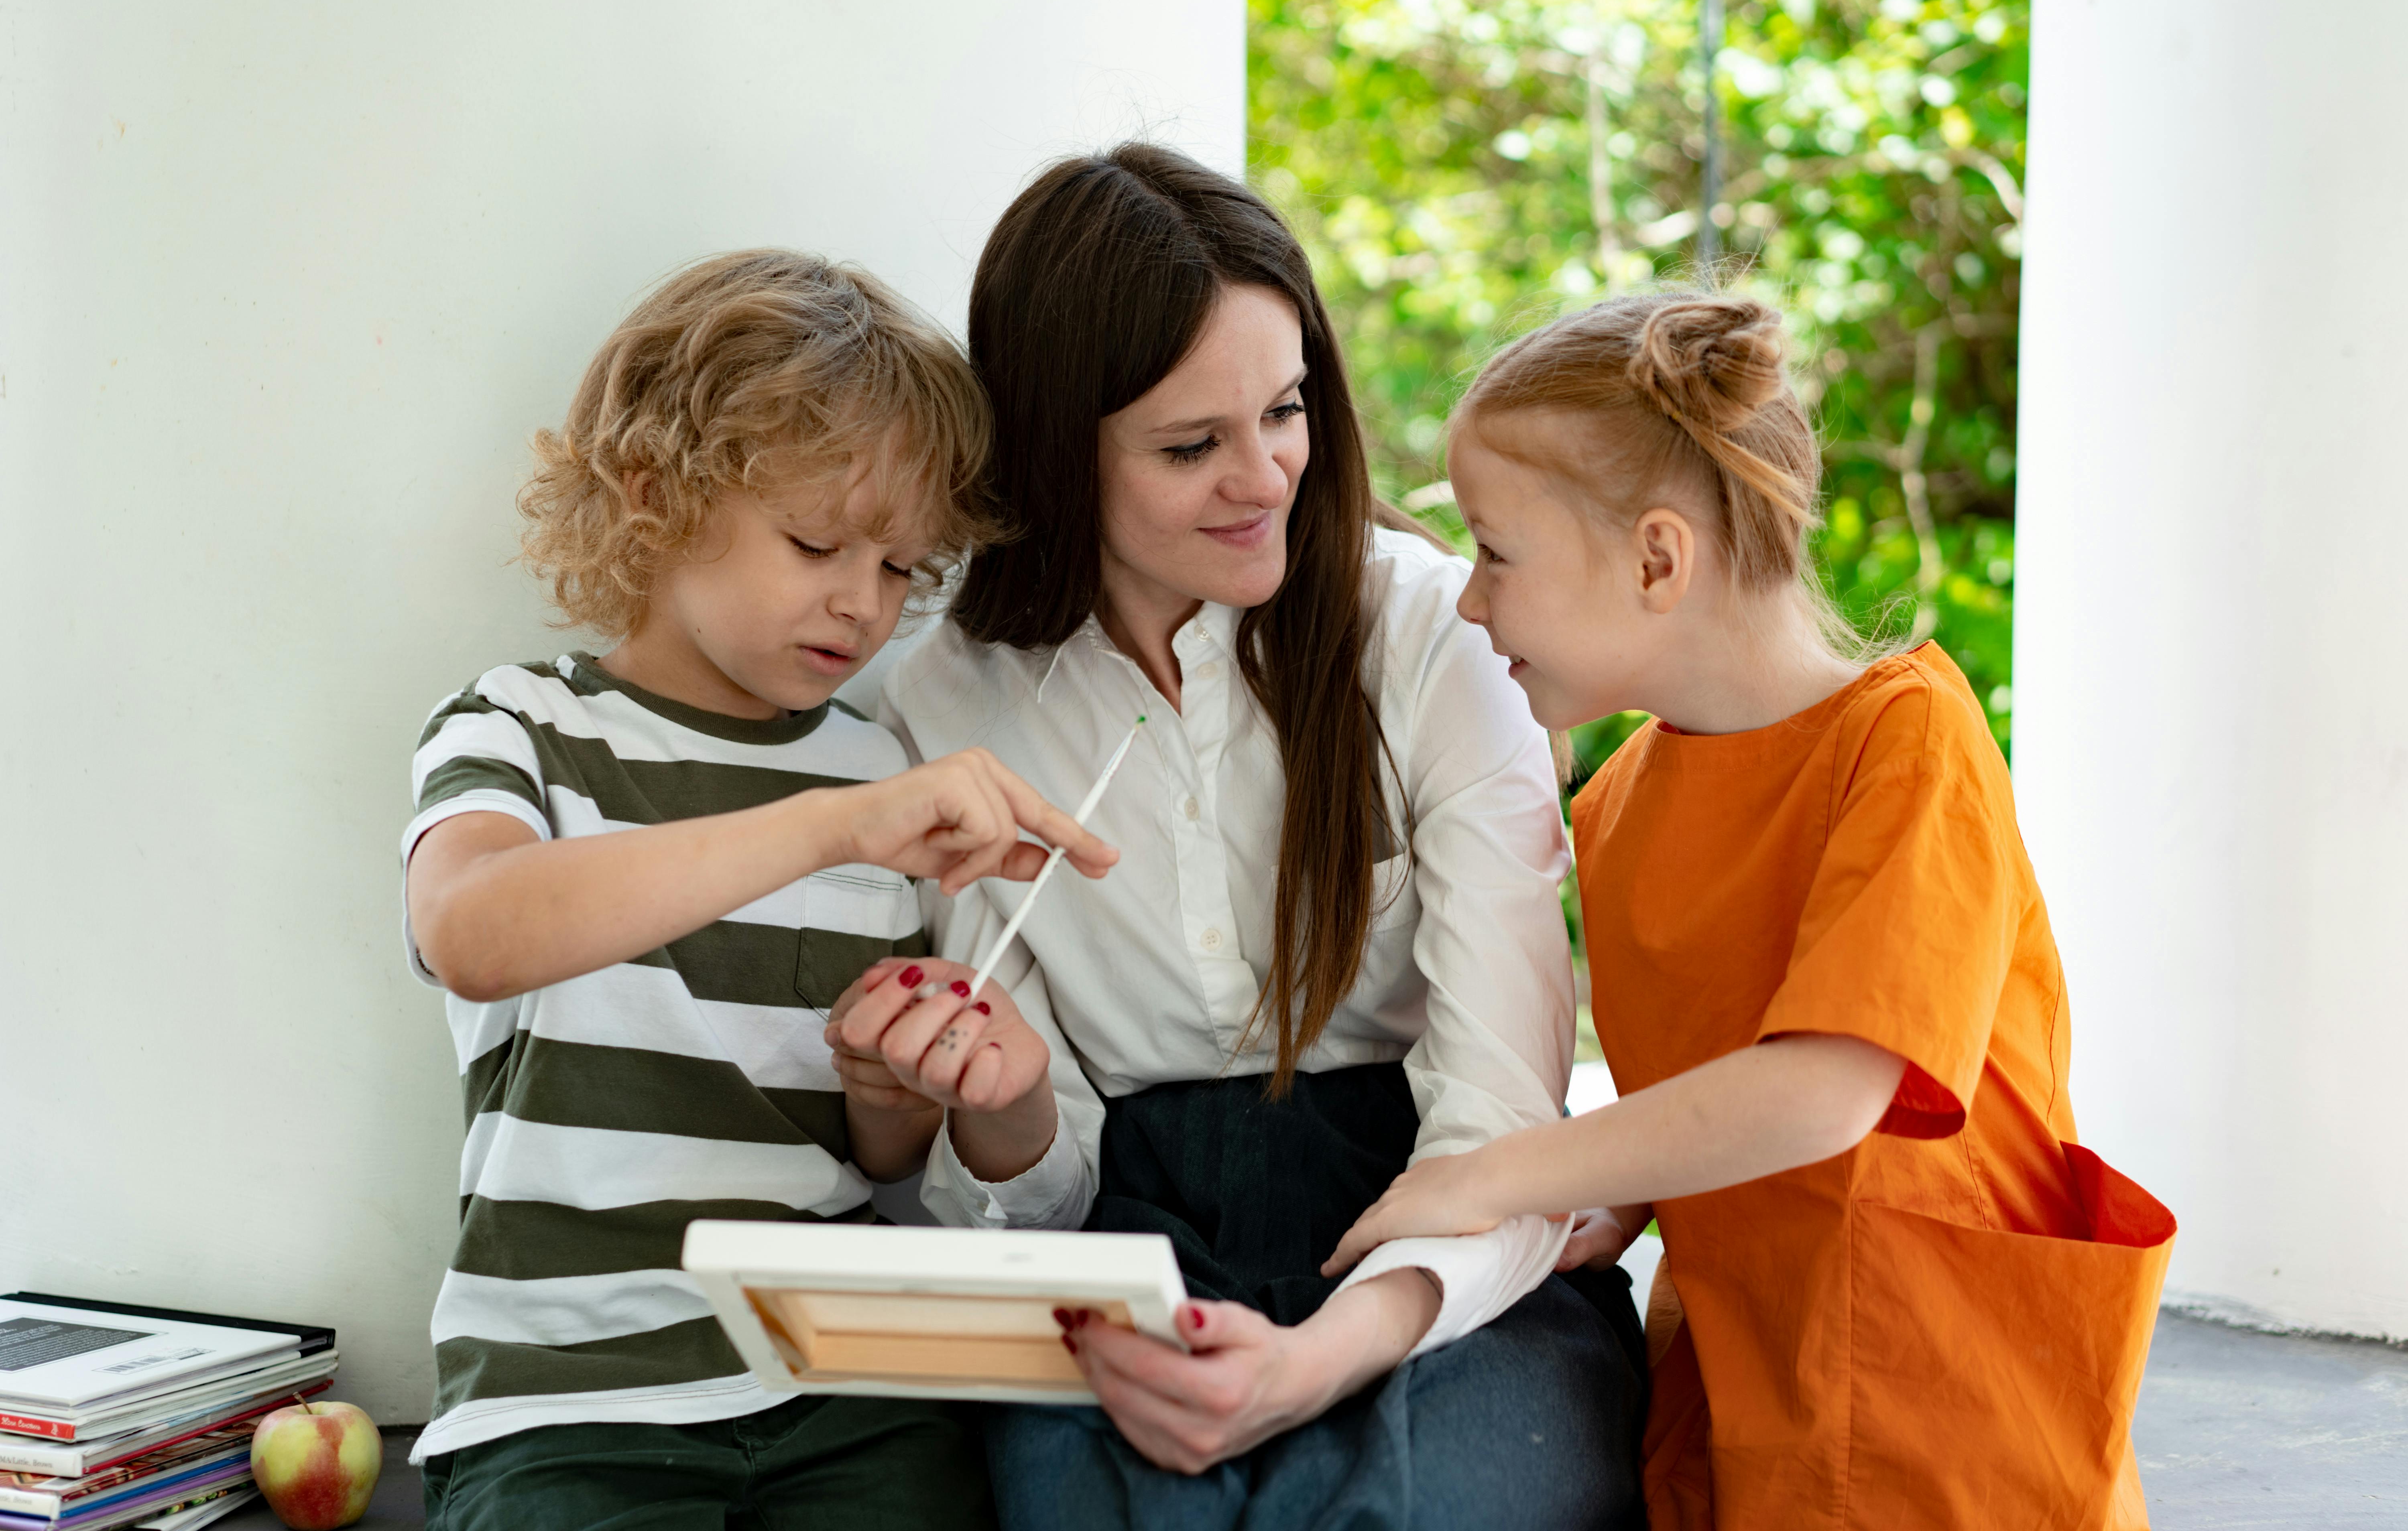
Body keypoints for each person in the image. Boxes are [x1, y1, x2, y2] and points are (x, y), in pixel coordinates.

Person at [825, 145, 1647, 1531]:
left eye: (1285, 411)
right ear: (1051, 449)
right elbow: (1024, 1195)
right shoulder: (945, 697)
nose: (1263, 477)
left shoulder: (1437, 637)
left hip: (1431, 1221)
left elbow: (1502, 1112)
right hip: (1122, 1232)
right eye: (1191, 446)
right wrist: (1003, 1104)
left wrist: (1319, 1355)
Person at [1326, 290, 2177, 1529]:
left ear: (1659, 559)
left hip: (1957, 1420)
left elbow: (1827, 1089)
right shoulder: (1615, 808)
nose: (1466, 602)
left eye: (1496, 553)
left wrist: (1497, 1177)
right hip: (1749, 1397)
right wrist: (1618, 1203)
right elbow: (1706, 1093)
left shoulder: (1909, 745)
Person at [398, 250, 1117, 1531]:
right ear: (652, 495)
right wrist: (829, 829)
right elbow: (474, 933)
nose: (864, 602)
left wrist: (915, 1093)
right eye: (817, 543)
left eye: (902, 567)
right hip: (572, 1403)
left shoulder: (876, 767)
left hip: (843, 1386)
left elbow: (872, 1163)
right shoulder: (523, 726)